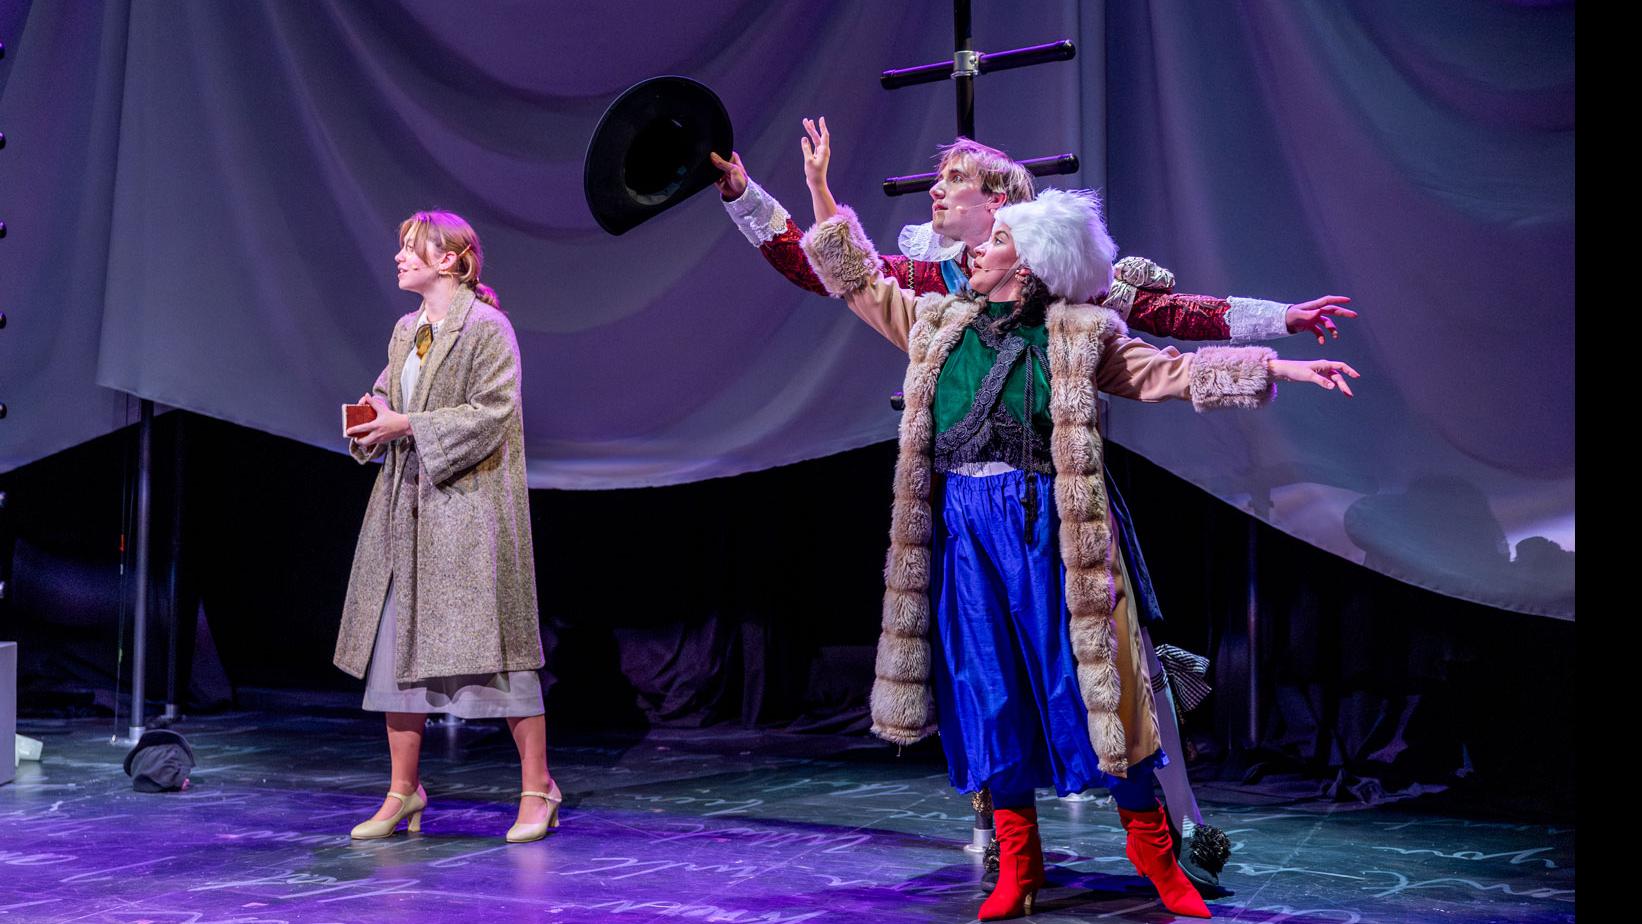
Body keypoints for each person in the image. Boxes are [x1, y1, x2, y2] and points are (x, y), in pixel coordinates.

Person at [798, 179, 1357, 919]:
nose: (979, 246)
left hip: (1047, 529)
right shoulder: (935, 321)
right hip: (967, 532)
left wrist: (1277, 367)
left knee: (1091, 691)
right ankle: (1018, 866)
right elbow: (859, 281)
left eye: (997, 240)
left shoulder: (1077, 334)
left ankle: (1159, 861)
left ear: (1026, 264)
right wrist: (820, 194)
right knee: (987, 689)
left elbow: (1172, 370)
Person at [334, 210, 561, 844]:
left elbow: (493, 412)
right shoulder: (407, 329)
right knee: (394, 652)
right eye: (401, 246)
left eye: (413, 248)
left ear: (450, 260)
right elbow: (388, 396)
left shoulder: (488, 327)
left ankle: (538, 788)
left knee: (502, 658)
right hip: (407, 512)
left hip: (468, 516)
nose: (400, 256)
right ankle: (404, 793)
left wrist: (407, 426)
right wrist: (373, 416)